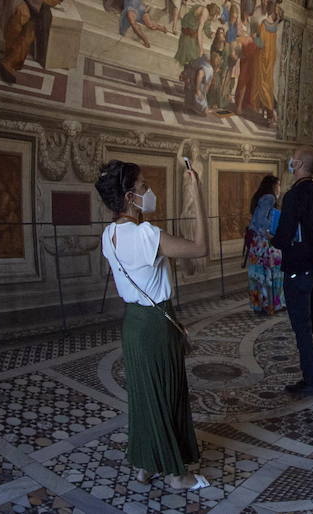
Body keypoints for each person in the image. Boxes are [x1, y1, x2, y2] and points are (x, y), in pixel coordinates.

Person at [96, 159, 209, 491]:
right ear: (130, 196)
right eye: (144, 187)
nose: (149, 192)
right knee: (166, 394)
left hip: (134, 324)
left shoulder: (109, 234)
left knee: (145, 397)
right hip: (155, 325)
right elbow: (201, 248)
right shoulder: (146, 235)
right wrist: (197, 193)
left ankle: (146, 464)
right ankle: (177, 475)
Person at [271, 146, 313, 394]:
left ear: (297, 165)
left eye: (292, 160)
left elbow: (285, 234)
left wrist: (272, 239)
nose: (290, 163)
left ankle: (311, 380)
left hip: (298, 267)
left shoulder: (294, 195)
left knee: (302, 327)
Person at [244, 174, 284, 315]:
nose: (280, 188)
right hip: (264, 243)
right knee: (271, 273)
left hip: (256, 243)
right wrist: (273, 230)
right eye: (278, 185)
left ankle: (259, 305)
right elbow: (262, 219)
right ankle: (270, 305)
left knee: (258, 275)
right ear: (273, 186)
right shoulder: (269, 197)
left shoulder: (259, 197)